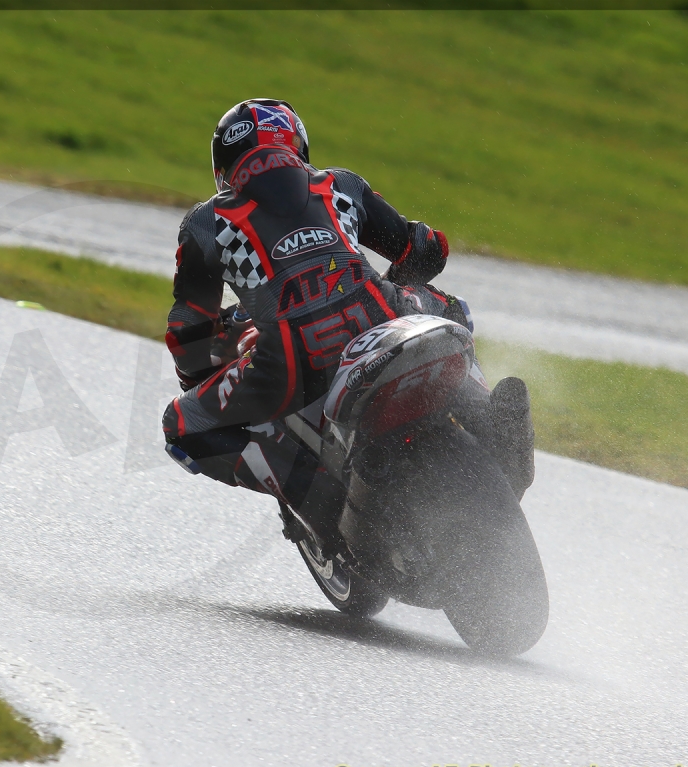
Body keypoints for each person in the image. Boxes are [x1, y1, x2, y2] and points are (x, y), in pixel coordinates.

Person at [161, 98, 492, 545]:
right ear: (298, 144)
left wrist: (198, 379)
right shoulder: (340, 184)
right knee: (452, 309)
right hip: (384, 315)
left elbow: (187, 332)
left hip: (292, 363)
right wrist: (388, 289)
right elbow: (427, 249)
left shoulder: (207, 222)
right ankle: (486, 414)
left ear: (223, 168)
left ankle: (314, 497)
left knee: (180, 426)